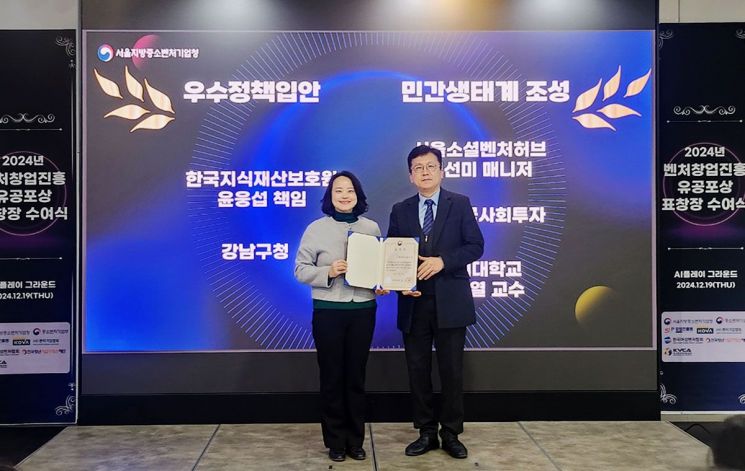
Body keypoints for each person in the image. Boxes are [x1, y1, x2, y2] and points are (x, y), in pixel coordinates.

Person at [387, 144, 484, 459]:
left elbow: (475, 246)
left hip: (451, 300)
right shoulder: (400, 210)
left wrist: (443, 262)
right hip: (414, 302)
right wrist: (400, 284)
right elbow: (393, 253)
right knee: (418, 370)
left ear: (441, 171)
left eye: (430, 166)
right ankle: (426, 432)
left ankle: (451, 433)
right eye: (418, 168)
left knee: (451, 370)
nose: (425, 172)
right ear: (410, 176)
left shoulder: (460, 204)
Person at [294, 170, 385, 462]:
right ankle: (335, 441)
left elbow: (379, 268)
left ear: (358, 195)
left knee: (356, 377)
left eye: (350, 190)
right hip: (328, 312)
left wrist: (381, 283)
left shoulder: (371, 228)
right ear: (330, 196)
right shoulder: (315, 229)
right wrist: (329, 271)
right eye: (338, 191)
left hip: (363, 311)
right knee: (332, 377)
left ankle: (355, 440)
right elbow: (300, 270)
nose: (345, 195)